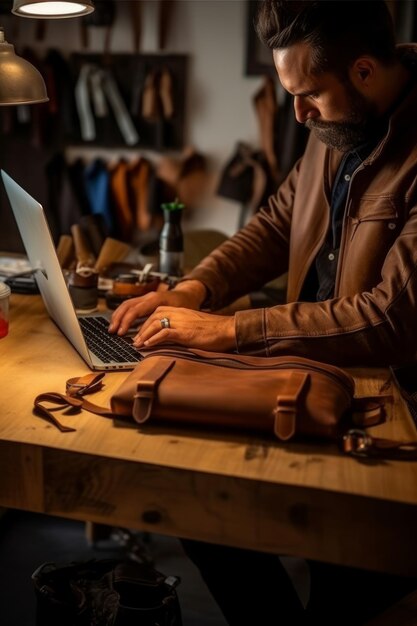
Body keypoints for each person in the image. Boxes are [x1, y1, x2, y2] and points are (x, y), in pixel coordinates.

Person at [109, 1, 417, 623]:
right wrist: (194, 290)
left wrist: (231, 328)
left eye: (308, 96)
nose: (297, 113)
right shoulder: (338, 124)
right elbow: (278, 222)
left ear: (362, 71)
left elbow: (391, 317)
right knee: (199, 503)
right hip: (314, 368)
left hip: (398, 409)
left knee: (342, 588)